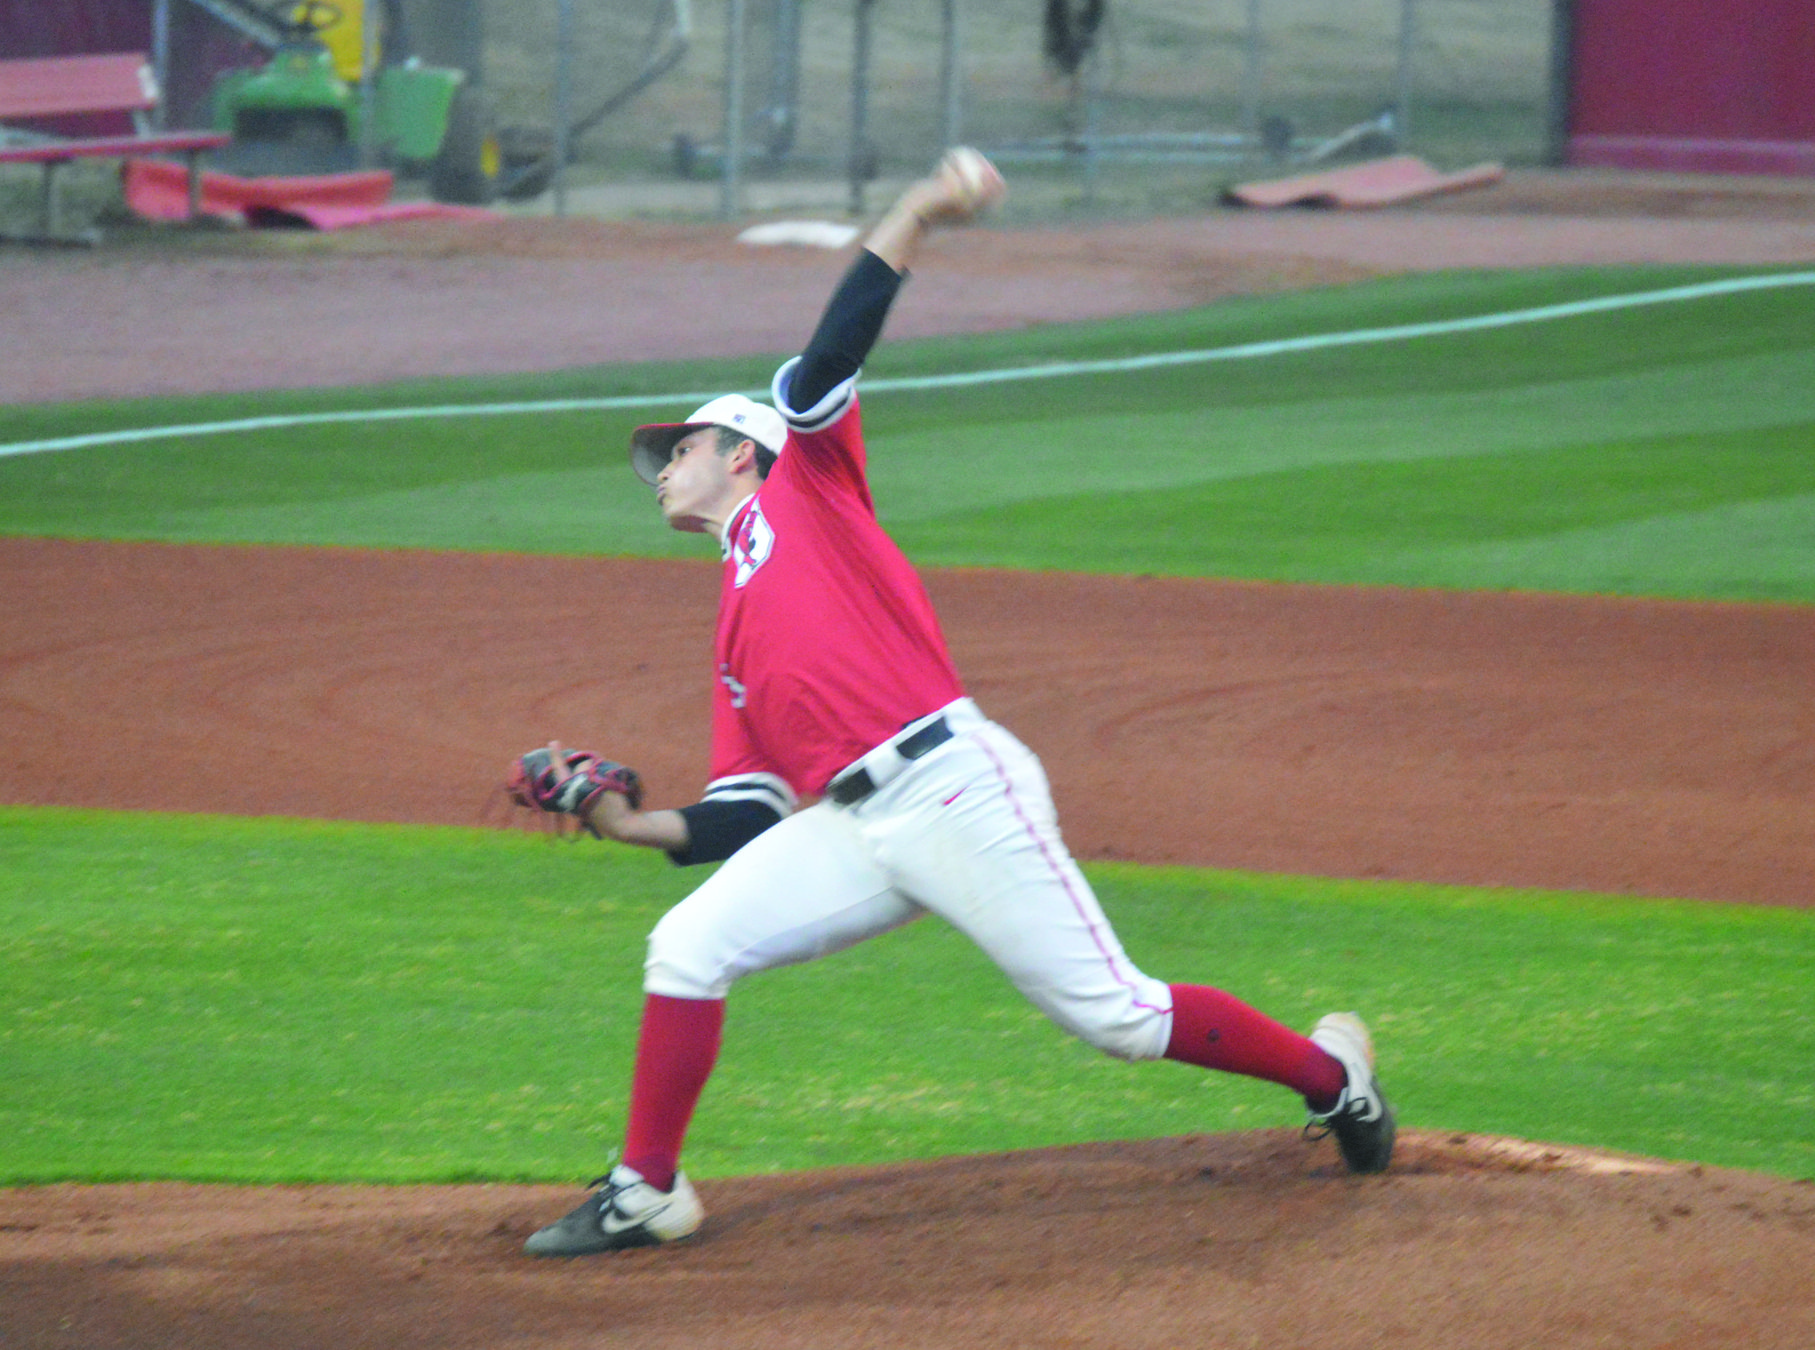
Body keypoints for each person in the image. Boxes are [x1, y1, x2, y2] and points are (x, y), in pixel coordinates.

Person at [512, 148, 1394, 1258]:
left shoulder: (811, 487)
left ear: (742, 454)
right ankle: (649, 1190)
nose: (661, 469)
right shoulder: (735, 629)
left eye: (676, 448)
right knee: (687, 945)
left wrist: (918, 208)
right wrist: (627, 822)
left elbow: (835, 348)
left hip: (954, 789)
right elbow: (748, 813)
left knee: (1117, 1016)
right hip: (853, 824)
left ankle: (1335, 1079)